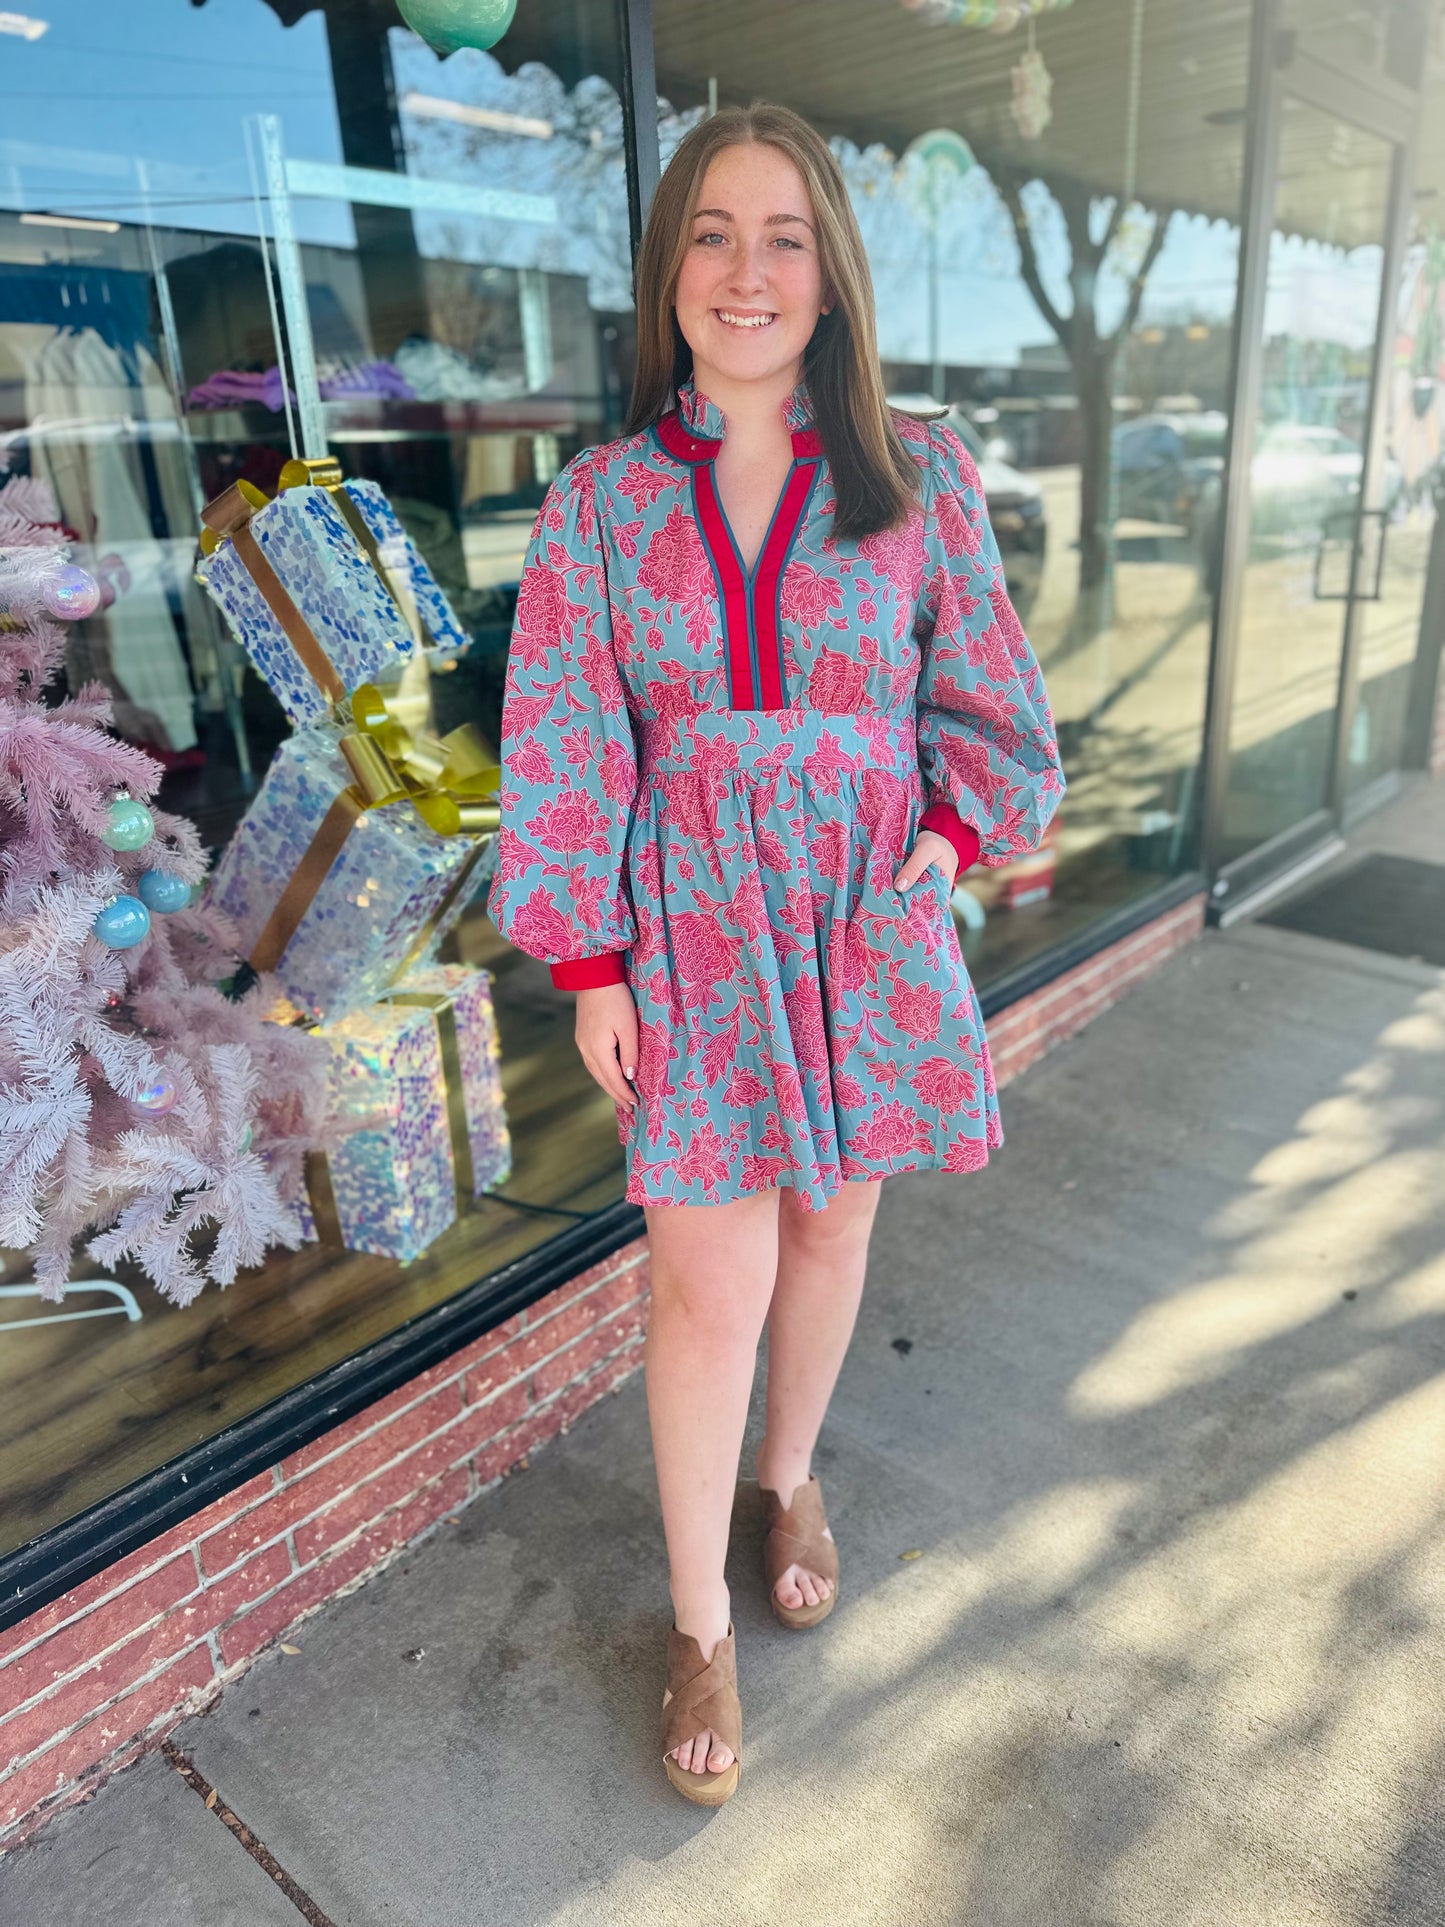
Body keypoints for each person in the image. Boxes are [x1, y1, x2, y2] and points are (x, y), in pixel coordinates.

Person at [489, 100, 1063, 1806]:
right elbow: (566, 737)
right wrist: (587, 964)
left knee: (831, 1223)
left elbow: (989, 712)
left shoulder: (918, 475)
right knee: (699, 1280)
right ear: (670, 271)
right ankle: (694, 1623)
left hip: (863, 925)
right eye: (715, 236)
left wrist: (942, 851)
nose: (748, 272)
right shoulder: (597, 505)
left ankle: (788, 1477)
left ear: (832, 274)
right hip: (691, 939)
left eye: (785, 236)